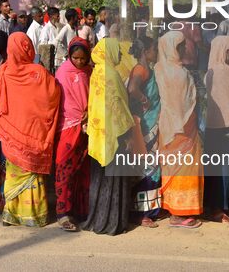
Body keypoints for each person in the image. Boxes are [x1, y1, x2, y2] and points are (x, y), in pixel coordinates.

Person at [0, 32, 60, 227]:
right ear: (27, 48)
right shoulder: (38, 73)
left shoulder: (2, 72)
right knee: (31, 171)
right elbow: (53, 95)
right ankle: (33, 215)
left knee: (13, 171)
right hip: (34, 133)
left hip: (10, 134)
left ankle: (10, 214)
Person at [82, 38, 135, 235]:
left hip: (99, 133)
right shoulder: (112, 74)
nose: (121, 54)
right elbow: (119, 106)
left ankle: (98, 218)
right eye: (118, 51)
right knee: (114, 178)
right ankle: (113, 221)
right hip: (115, 133)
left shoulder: (97, 72)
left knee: (100, 178)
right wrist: (128, 134)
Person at [155, 31, 204, 228]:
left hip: (167, 127)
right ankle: (181, 212)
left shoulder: (159, 69)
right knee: (186, 168)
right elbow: (185, 106)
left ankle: (173, 209)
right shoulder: (180, 73)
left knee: (171, 167)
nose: (184, 49)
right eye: (180, 46)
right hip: (184, 129)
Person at [203, 36, 229, 221]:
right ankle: (223, 205)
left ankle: (213, 204)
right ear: (225, 52)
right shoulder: (226, 72)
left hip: (213, 125)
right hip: (228, 125)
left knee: (215, 167)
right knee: (227, 167)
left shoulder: (210, 72)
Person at [54, 37, 92, 231]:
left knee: (84, 169)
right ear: (69, 56)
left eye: (83, 59)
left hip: (88, 124)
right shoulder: (62, 72)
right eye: (76, 58)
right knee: (64, 167)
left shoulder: (90, 71)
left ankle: (81, 209)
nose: (79, 62)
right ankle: (63, 212)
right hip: (68, 124)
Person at [127, 36, 162, 228]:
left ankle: (147, 209)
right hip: (146, 126)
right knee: (148, 167)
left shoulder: (146, 69)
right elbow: (133, 88)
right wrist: (144, 100)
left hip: (150, 123)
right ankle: (143, 212)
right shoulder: (141, 69)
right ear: (145, 52)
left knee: (149, 166)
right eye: (154, 49)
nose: (156, 52)